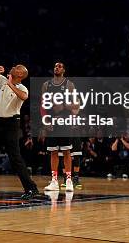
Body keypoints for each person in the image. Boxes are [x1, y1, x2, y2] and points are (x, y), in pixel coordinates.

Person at [0, 65, 39, 200]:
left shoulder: (22, 88)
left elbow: (23, 97)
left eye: (17, 68)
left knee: (15, 158)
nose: (13, 67)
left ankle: (31, 188)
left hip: (11, 124)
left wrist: (10, 84)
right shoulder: (3, 81)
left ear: (21, 75)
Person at [42, 62, 77, 193]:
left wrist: (63, 106)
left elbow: (75, 105)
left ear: (64, 70)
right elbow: (43, 105)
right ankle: (54, 181)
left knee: (67, 151)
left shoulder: (69, 84)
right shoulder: (46, 85)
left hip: (64, 121)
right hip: (51, 122)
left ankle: (68, 180)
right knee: (53, 152)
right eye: (55, 66)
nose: (57, 67)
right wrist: (45, 121)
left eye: (60, 66)